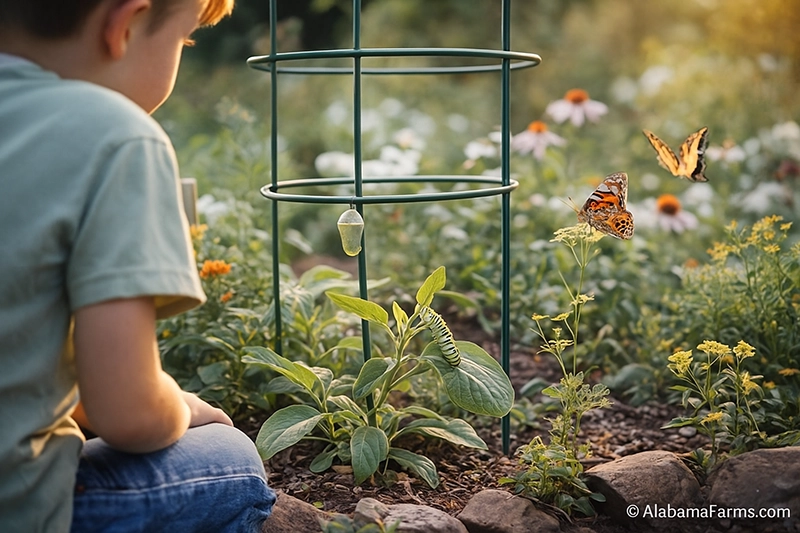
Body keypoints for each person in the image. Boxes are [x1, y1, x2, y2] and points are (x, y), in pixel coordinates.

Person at [0, 0, 277, 531]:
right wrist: (178, 405)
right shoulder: (113, 135)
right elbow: (128, 417)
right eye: (185, 39)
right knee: (232, 462)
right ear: (123, 23)